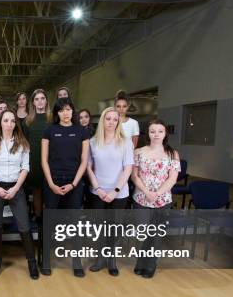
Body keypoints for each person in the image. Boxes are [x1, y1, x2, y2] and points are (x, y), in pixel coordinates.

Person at [0, 109, 38, 279]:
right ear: (0, 122)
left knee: (24, 226)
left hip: (16, 187)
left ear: (16, 123)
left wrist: (15, 188)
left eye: (13, 121)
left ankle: (32, 262)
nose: (9, 124)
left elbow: (25, 168)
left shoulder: (22, 143)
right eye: (6, 120)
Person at [41, 97, 89, 277]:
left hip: (74, 182)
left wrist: (74, 184)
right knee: (50, 221)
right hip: (52, 181)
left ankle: (77, 262)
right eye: (62, 110)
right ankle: (46, 260)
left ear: (72, 111)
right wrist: (52, 184)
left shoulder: (81, 132)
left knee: (75, 223)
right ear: (57, 113)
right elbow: (44, 160)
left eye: (68, 109)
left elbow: (84, 161)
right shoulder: (49, 131)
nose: (65, 113)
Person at [86, 106, 134, 277]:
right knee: (99, 227)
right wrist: (98, 188)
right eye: (108, 118)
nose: (111, 122)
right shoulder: (93, 141)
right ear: (102, 120)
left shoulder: (126, 141)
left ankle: (112, 260)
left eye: (115, 119)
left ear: (118, 121)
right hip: (98, 192)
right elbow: (88, 168)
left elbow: (128, 168)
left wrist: (115, 190)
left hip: (119, 193)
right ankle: (100, 259)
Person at [131, 119, 180, 278]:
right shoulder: (138, 152)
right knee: (142, 233)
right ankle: (140, 263)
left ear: (165, 133)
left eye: (160, 131)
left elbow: (172, 179)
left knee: (156, 235)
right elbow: (134, 176)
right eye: (153, 131)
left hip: (162, 199)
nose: (156, 134)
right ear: (148, 133)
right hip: (141, 198)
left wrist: (157, 194)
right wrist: (146, 192)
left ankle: (151, 265)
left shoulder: (172, 154)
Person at [25, 88, 51, 221]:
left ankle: (49, 218)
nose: (40, 101)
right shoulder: (28, 120)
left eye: (42, 98)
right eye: (37, 99)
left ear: (46, 101)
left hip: (50, 160)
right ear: (33, 103)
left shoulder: (52, 119)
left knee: (50, 190)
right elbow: (25, 143)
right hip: (34, 160)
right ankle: (39, 217)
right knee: (37, 190)